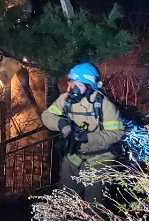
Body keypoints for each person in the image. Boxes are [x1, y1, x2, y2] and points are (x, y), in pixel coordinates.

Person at [40, 62, 124, 201]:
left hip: (99, 160)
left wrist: (87, 138)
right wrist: (61, 124)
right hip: (73, 157)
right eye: (70, 83)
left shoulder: (104, 105)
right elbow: (46, 116)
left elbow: (116, 134)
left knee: (94, 205)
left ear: (89, 86)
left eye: (76, 85)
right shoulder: (65, 100)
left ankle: (91, 215)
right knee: (64, 201)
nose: (71, 89)